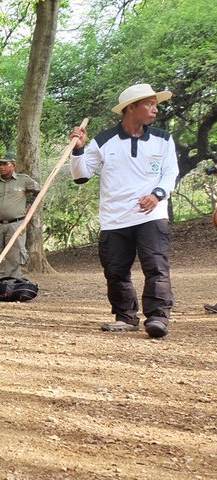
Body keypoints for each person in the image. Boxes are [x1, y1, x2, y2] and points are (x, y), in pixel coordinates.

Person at [69, 83, 178, 338]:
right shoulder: (104, 140)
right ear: (131, 108)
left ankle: (158, 317)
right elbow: (81, 176)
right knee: (116, 272)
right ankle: (126, 317)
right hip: (114, 219)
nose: (155, 110)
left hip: (152, 215)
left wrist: (157, 194)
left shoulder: (163, 139)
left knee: (156, 267)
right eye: (149, 104)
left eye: (156, 104)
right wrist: (78, 149)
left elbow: (171, 172)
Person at [0, 152, 41, 284]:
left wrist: (29, 207)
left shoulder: (24, 180)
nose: (1, 167)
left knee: (14, 256)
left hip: (16, 225)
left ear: (13, 165)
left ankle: (11, 287)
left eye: (5, 164)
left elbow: (40, 190)